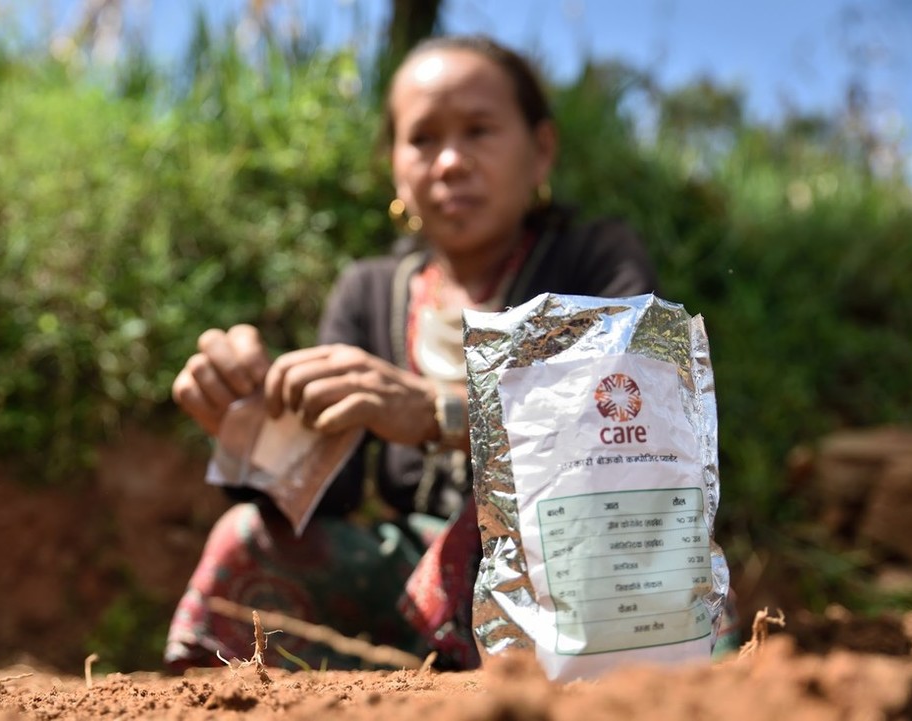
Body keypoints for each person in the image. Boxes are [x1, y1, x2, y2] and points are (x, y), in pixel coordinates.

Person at [165, 34, 668, 672]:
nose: (451, 162)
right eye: (423, 138)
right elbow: (334, 495)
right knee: (246, 537)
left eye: (480, 130)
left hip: (580, 569)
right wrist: (255, 430)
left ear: (540, 152)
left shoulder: (596, 260)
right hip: (424, 589)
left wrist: (438, 412)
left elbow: (634, 419)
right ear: (395, 164)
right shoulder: (371, 291)